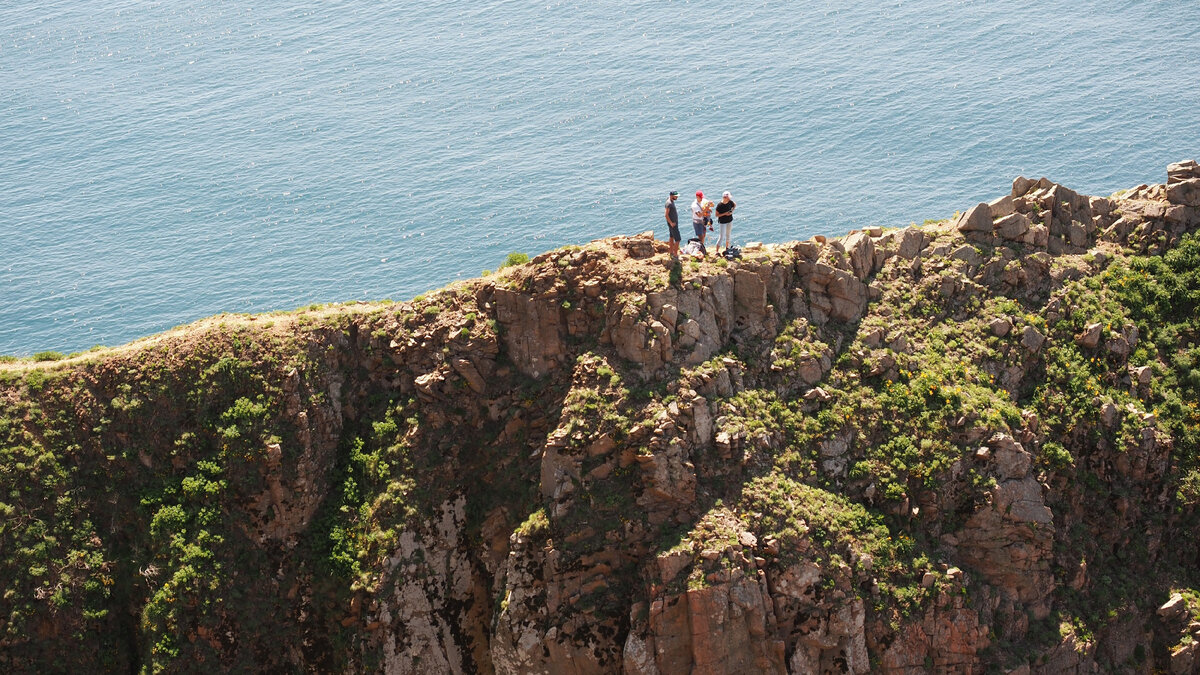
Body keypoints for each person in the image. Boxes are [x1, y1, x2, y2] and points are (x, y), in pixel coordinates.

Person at [664, 190, 681, 258]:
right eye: (675, 196)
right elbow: (666, 214)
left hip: (672, 223)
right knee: (678, 239)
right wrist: (671, 223)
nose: (677, 197)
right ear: (671, 196)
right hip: (673, 224)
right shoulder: (669, 203)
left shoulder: (670, 201)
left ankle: (671, 252)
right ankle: (675, 254)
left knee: (671, 237)